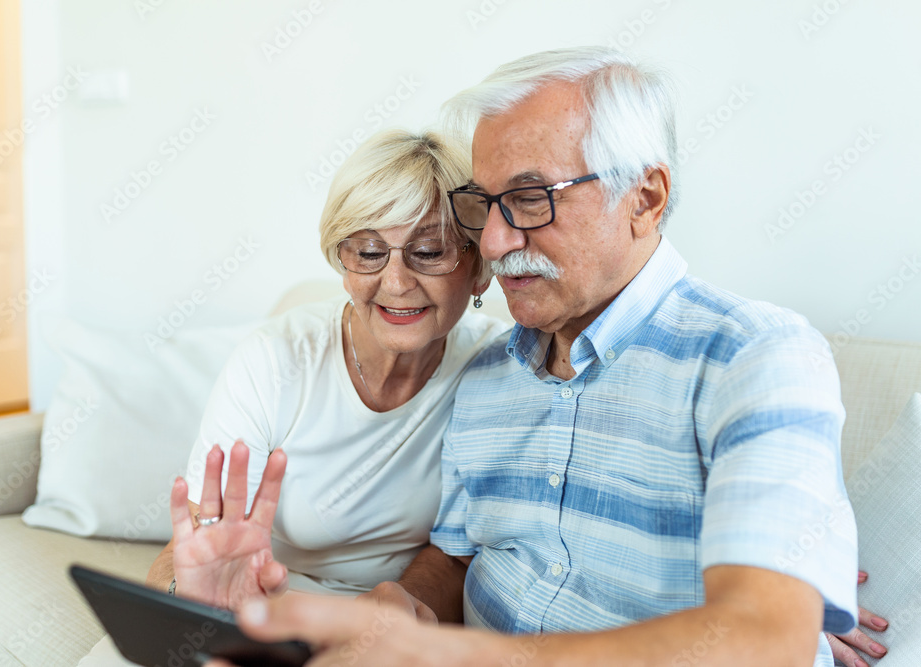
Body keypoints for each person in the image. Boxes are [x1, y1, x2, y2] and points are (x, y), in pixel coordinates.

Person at [214, 48, 888, 666]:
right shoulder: (485, 378)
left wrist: (448, 654)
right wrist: (404, 604)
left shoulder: (755, 357)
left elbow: (765, 639)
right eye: (483, 205)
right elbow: (454, 556)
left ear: (645, 199)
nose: (499, 241)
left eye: (532, 199)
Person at [76, 127, 508, 665]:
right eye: (369, 251)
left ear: (477, 266)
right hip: (260, 608)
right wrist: (195, 600)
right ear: (342, 262)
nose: (396, 282)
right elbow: (190, 552)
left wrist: (395, 611)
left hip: (386, 627)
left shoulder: (498, 370)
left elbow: (457, 555)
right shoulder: (275, 359)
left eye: (430, 251)